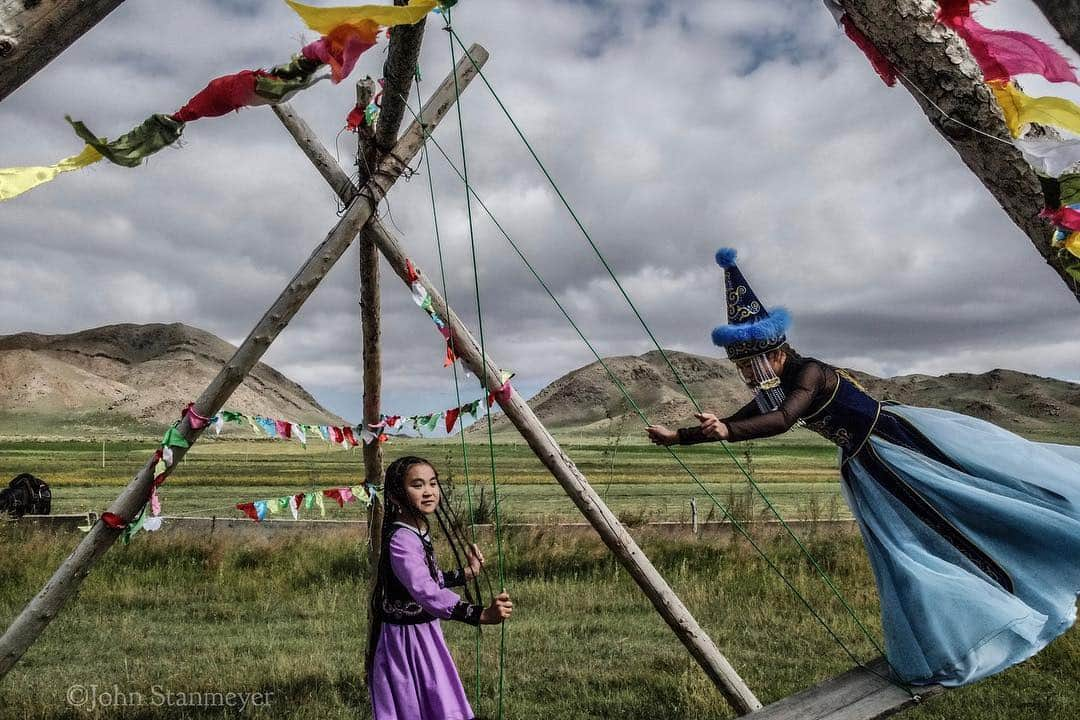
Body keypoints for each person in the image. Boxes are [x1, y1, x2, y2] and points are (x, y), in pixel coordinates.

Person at [646, 248, 1080, 687]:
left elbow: (781, 420)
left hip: (896, 447)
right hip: (867, 466)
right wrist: (680, 436)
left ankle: (1034, 579)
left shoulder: (810, 373)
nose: (746, 374)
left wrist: (726, 432)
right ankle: (968, 632)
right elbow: (743, 417)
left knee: (976, 509)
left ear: (774, 354)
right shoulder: (776, 384)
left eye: (748, 365)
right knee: (908, 554)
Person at [367, 456, 513, 719]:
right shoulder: (402, 540)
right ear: (396, 496)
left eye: (432, 483)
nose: (428, 491)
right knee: (418, 703)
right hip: (408, 642)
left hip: (422, 633)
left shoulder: (416, 530)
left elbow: (426, 578)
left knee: (434, 698)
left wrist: (467, 573)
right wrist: (479, 614)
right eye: (417, 485)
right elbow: (424, 590)